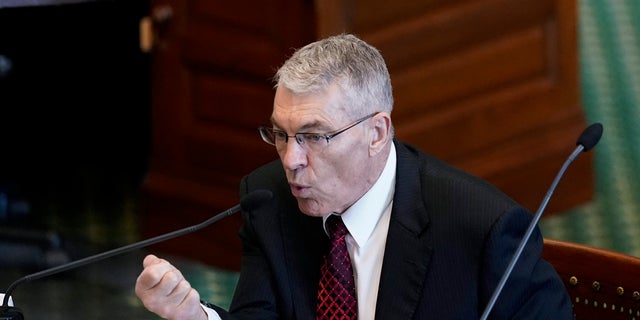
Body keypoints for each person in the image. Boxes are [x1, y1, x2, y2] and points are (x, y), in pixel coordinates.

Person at [135, 33, 573, 319]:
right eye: (281, 135)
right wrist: (195, 317)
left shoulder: (482, 228)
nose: (291, 160)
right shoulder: (268, 198)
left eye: (313, 137)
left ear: (377, 132)